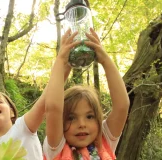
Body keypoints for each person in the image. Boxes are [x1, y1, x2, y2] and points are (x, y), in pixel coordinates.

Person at [44, 28, 130, 160]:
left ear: (98, 119)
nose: (82, 124)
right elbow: (53, 108)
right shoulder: (56, 148)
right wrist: (61, 60)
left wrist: (105, 60)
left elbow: (122, 106)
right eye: (71, 118)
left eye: (90, 116)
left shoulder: (104, 140)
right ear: (61, 123)